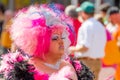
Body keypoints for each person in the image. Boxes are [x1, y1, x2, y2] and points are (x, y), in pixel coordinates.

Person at [0, 4, 94, 80]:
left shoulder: (68, 65)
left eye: (62, 37)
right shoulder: (27, 68)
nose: (61, 41)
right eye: (55, 38)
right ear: (41, 42)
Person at [69, 1, 107, 80]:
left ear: (83, 12)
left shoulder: (87, 25)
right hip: (97, 62)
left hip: (86, 62)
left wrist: (71, 49)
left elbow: (85, 47)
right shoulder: (99, 25)